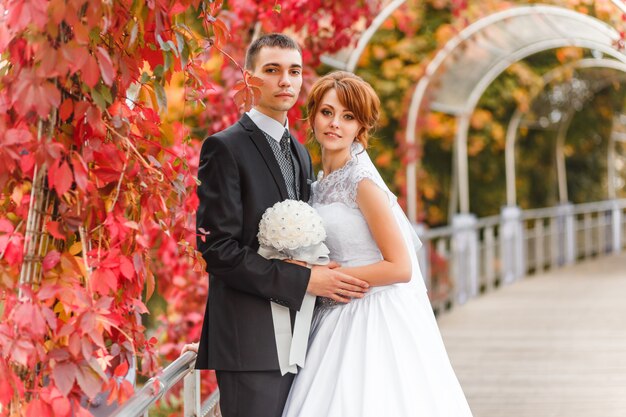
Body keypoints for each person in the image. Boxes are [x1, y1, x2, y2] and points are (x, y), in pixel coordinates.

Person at [191, 35, 370, 417]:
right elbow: (218, 250)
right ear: (249, 78)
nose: (285, 81)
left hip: (303, 338)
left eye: (294, 71)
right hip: (250, 342)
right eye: (272, 70)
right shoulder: (224, 148)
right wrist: (305, 281)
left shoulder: (301, 152)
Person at [281, 71, 474, 417]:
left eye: (348, 116)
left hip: (371, 313)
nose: (335, 124)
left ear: (360, 127)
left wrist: (330, 279)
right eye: (327, 112)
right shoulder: (320, 182)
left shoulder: (362, 182)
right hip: (331, 313)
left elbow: (401, 267)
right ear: (312, 117)